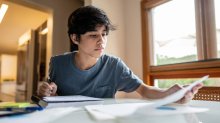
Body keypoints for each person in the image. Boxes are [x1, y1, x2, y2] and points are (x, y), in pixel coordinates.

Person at [37, 5, 202, 104]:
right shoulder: (58, 63)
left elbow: (144, 90)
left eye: (104, 34)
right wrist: (48, 92)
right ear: (75, 38)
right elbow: (53, 95)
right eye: (94, 35)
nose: (102, 41)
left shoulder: (114, 66)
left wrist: (170, 95)